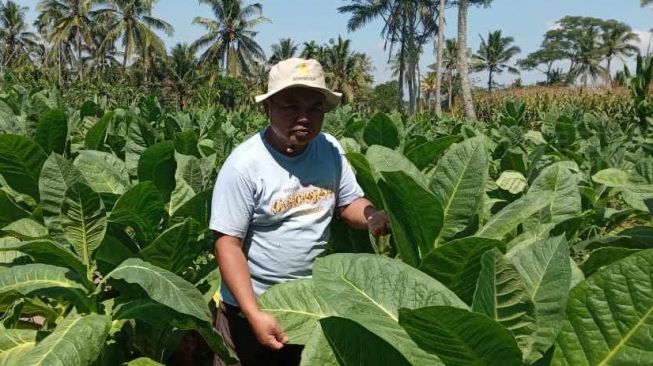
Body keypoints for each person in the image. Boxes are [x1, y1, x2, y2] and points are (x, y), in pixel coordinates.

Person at [209, 58, 390, 366]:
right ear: (268, 108)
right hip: (251, 308)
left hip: (309, 304)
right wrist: (254, 313)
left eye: (315, 107)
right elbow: (227, 244)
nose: (304, 117)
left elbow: (348, 203)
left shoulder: (329, 149)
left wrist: (371, 216)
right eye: (291, 106)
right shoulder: (245, 165)